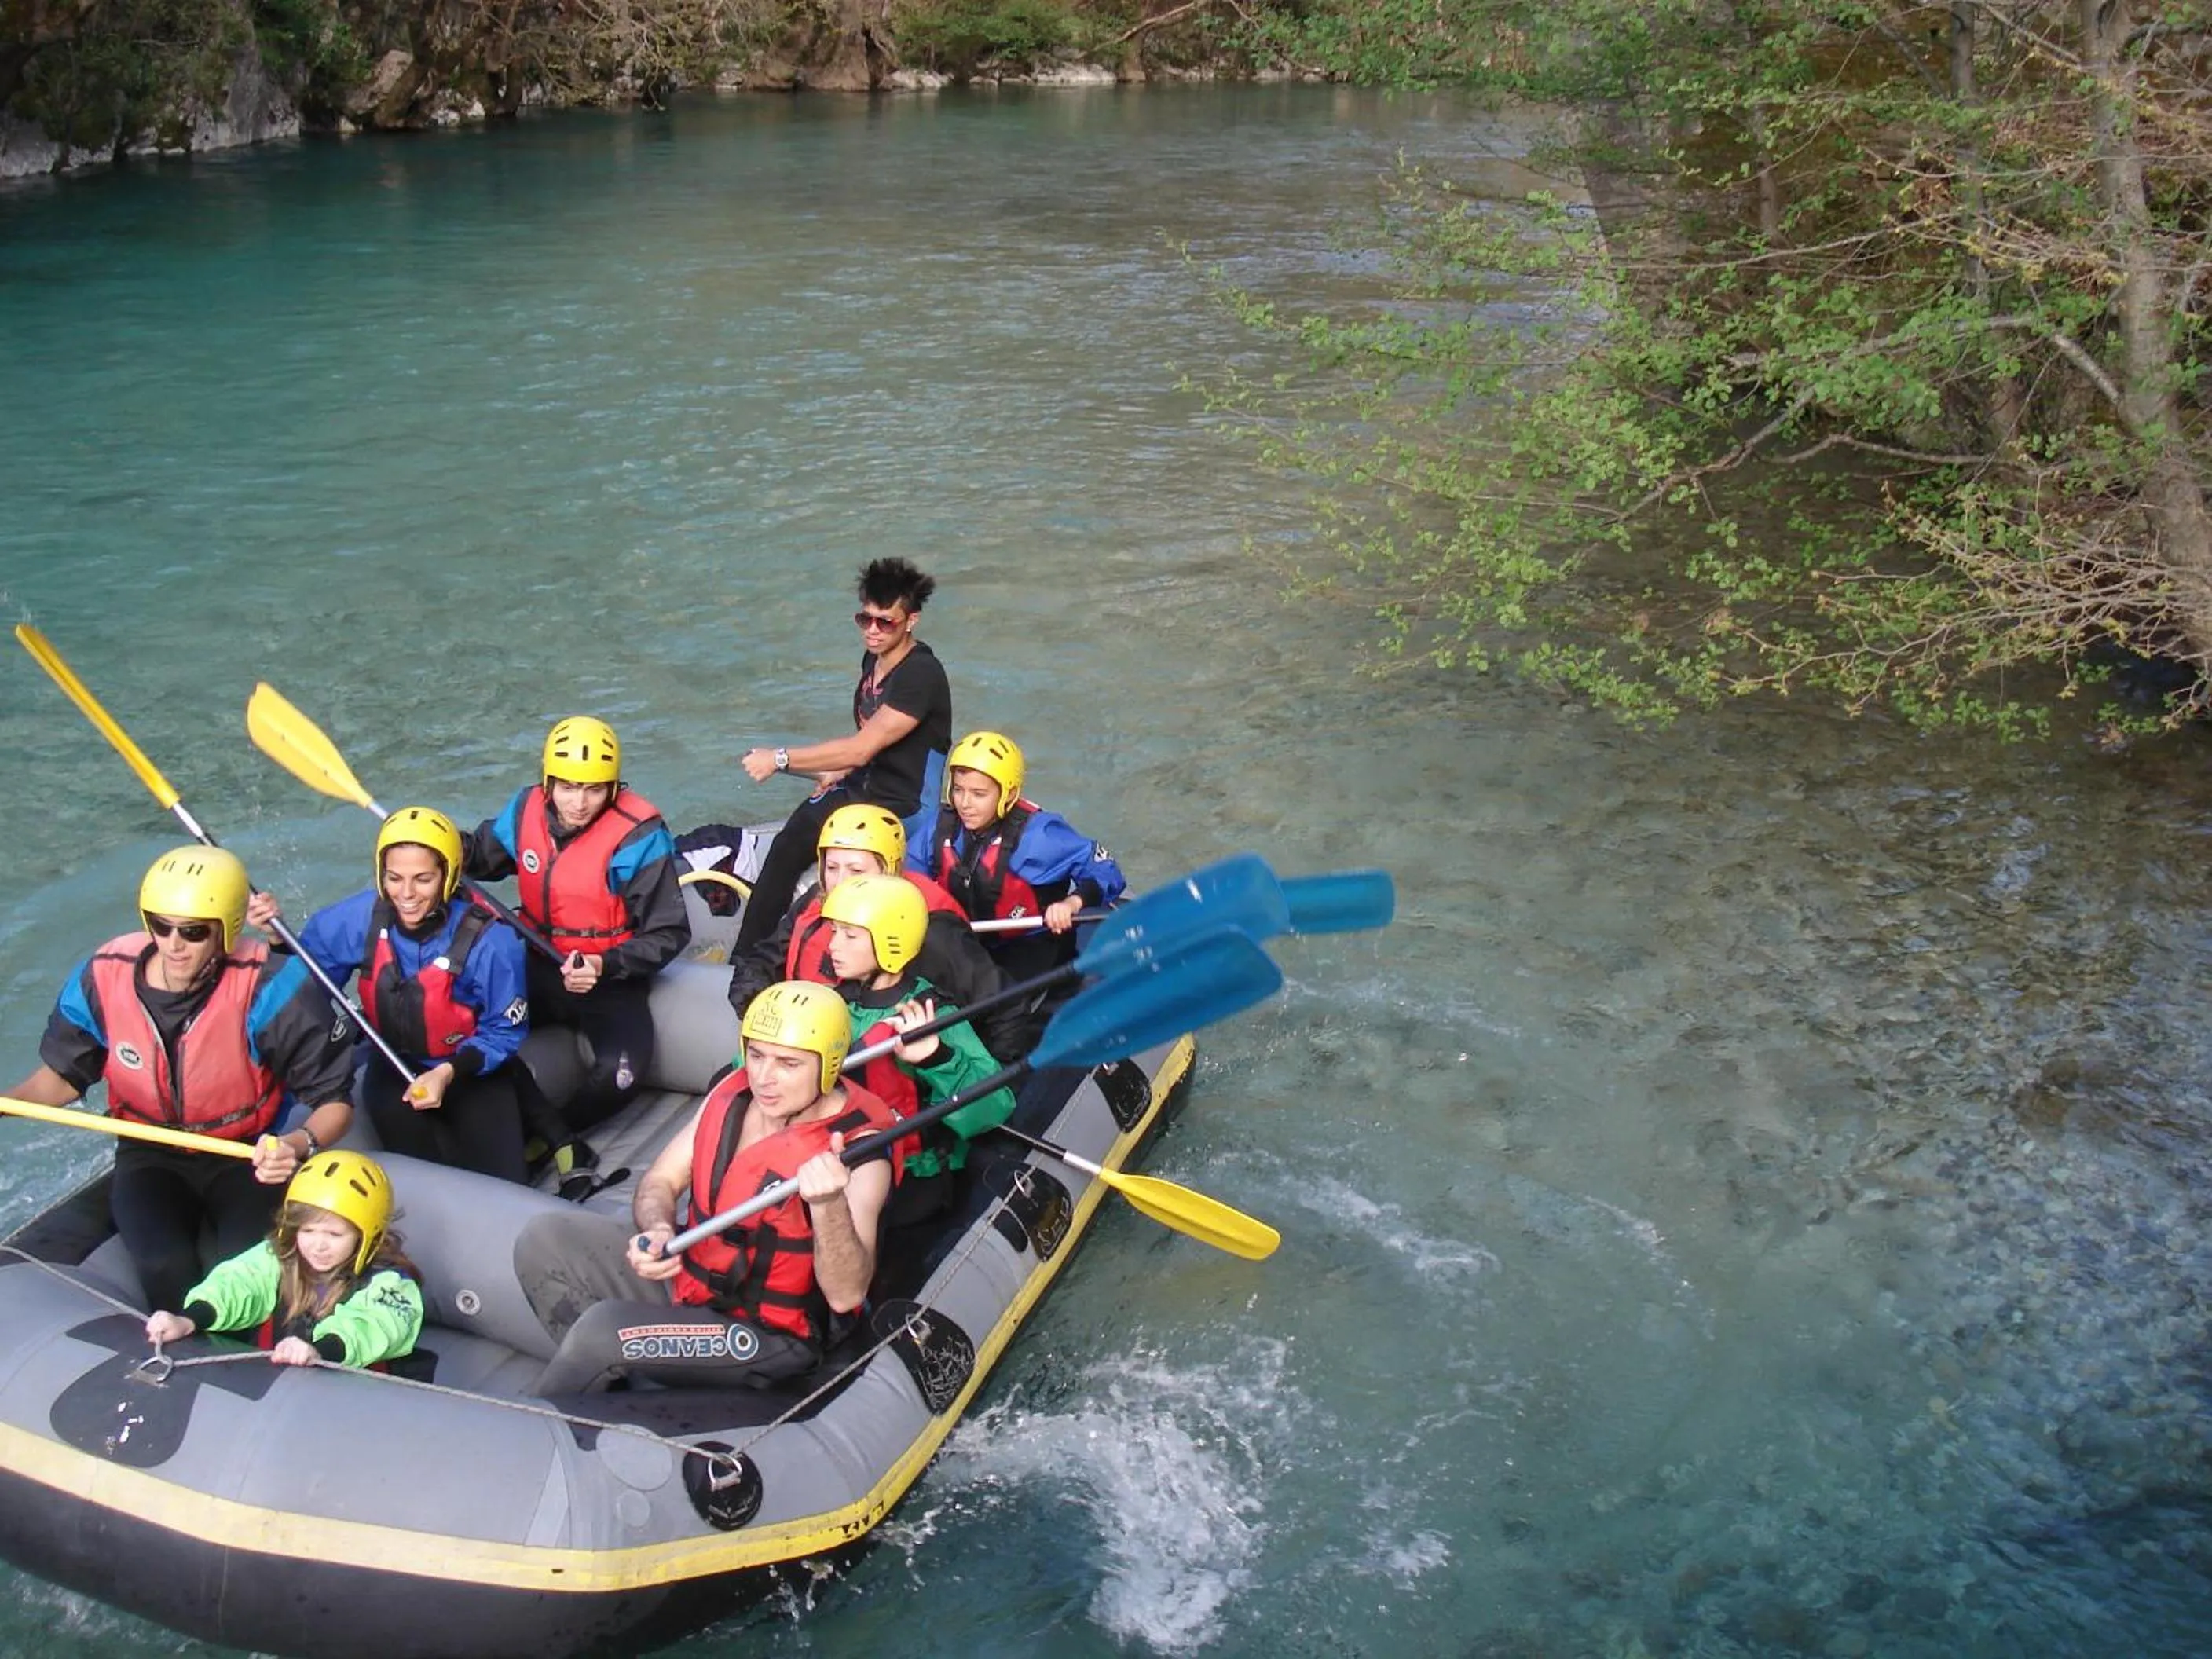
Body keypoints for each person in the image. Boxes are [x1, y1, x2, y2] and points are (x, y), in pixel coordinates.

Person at [5, 847, 357, 1312]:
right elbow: (61, 1080)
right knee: (162, 1263)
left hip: (244, 1153)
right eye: (160, 925)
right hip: (148, 1153)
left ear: (227, 931)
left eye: (193, 932)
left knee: (247, 1272)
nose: (173, 944)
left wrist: (296, 1145)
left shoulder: (270, 988)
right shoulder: (102, 977)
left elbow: (336, 1103)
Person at [514, 981, 899, 1395]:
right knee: (542, 1240)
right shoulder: (732, 1093)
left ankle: (543, 1425)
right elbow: (660, 1182)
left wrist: (826, 1204)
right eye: (756, 1055)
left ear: (829, 1065)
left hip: (767, 1333)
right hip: (694, 1280)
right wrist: (658, 1229)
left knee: (602, 1333)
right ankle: (615, 1392)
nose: (764, 1078)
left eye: (788, 1064)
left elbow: (846, 1294)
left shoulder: (859, 1153)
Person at [257, 807, 533, 1185]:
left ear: (448, 876)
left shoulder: (492, 943)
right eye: (394, 878)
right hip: (393, 1066)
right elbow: (304, 985)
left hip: (469, 1068)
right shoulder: (358, 919)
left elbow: (504, 1031)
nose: (406, 894)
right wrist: (278, 938)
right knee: (418, 1178)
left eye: (423, 879)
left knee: (506, 1183)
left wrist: (448, 1073)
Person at [463, 716, 689, 1133]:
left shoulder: (639, 835)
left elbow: (668, 932)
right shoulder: (525, 810)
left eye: (594, 789)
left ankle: (553, 1135)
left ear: (615, 787)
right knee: (457, 1024)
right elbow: (478, 856)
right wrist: (434, 841)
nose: (579, 803)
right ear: (548, 782)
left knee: (621, 1076)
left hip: (607, 975)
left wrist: (604, 966)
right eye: (568, 787)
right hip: (532, 959)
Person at [734, 558, 953, 954]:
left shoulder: (921, 674)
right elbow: (870, 741)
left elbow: (864, 745)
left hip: (902, 805)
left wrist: (780, 759)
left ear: (911, 621)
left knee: (823, 853)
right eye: (865, 619)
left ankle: (777, 953)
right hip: (864, 784)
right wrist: (840, 769)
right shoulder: (875, 659)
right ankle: (748, 956)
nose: (872, 631)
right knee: (792, 841)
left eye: (885, 622)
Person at [724, 802, 1024, 1061]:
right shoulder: (817, 901)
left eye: (856, 871)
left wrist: (980, 1085)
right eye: (832, 868)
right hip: (802, 1047)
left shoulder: (930, 931)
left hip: (882, 1064)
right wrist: (756, 1005)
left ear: (889, 870)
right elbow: (764, 958)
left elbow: (1004, 1007)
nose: (841, 883)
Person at [819, 874, 1016, 1228]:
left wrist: (935, 1057)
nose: (833, 945)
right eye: (834, 931)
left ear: (892, 942)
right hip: (836, 1157)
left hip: (914, 1172)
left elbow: (995, 1107)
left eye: (849, 936)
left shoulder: (930, 1014)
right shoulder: (832, 1004)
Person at [144, 1149, 422, 1371]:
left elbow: (374, 1325)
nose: (319, 1245)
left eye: (335, 1234)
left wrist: (318, 1351)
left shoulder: (391, 1282)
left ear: (366, 1235)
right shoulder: (282, 1256)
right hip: (279, 1379)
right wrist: (189, 1320)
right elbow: (241, 1282)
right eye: (308, 1231)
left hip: (348, 1389)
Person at [910, 729, 1127, 994]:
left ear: (1008, 794)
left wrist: (1072, 903)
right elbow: (907, 880)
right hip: (967, 940)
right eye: (958, 790)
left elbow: (1105, 869)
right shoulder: (940, 829)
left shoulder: (1040, 837)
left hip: (1028, 942)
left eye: (979, 794)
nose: (965, 804)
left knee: (997, 1002)